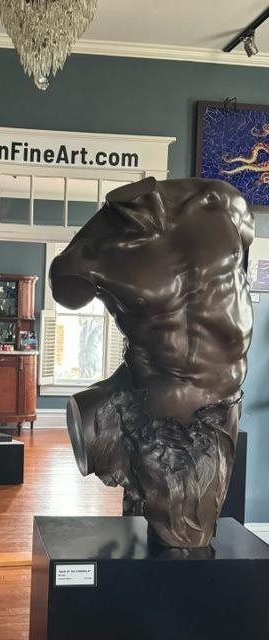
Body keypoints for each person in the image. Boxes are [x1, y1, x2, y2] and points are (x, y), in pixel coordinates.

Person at [50, 177, 253, 547]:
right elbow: (68, 294)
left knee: (189, 543)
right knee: (182, 541)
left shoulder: (222, 201)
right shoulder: (90, 252)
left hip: (223, 405)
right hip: (158, 418)